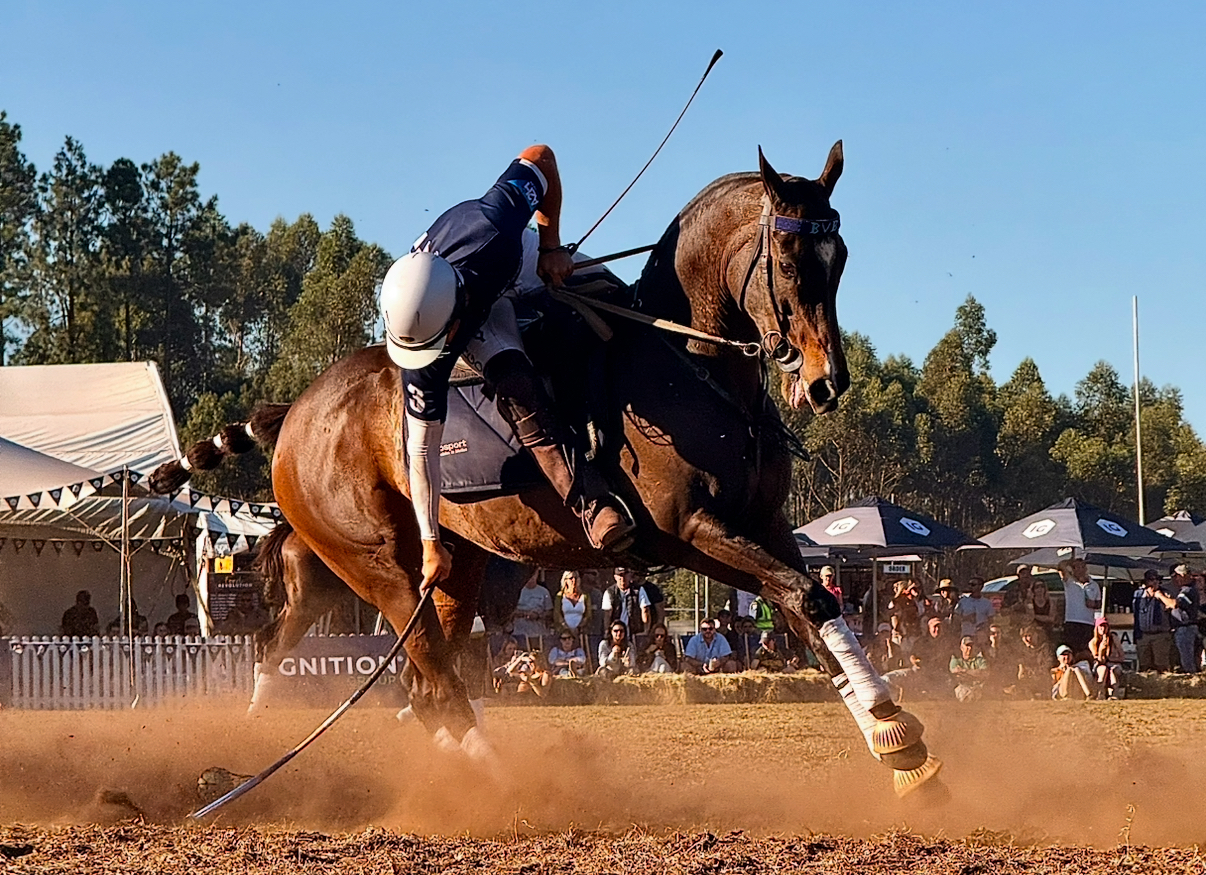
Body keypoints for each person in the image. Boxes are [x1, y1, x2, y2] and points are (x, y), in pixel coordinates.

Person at [379, 146, 635, 595]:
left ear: (454, 314)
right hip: (486, 310)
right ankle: (592, 504)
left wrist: (552, 246)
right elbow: (420, 453)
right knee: (518, 387)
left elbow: (542, 156)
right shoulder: (422, 348)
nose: (435, 355)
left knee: (619, 300)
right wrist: (430, 544)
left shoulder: (493, 221)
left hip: (519, 262)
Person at [1056, 558, 1102, 660]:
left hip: (1087, 622)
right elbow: (1060, 565)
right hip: (1072, 621)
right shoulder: (1069, 581)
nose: (1080, 570)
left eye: (1082, 567)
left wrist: (1093, 604)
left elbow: (1099, 604)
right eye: (1077, 567)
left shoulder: (1094, 584)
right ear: (1073, 569)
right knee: (1072, 650)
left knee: (1086, 650)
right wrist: (1070, 561)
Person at [1132, 569, 1173, 672]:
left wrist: (1160, 596)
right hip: (1143, 635)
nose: (1155, 582)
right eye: (1151, 579)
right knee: (1144, 665)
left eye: (1157, 579)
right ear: (1146, 582)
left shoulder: (1165, 593)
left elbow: (1172, 605)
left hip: (1161, 634)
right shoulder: (1138, 595)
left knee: (1161, 665)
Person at [601, 567, 652, 637]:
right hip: (616, 633)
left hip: (635, 632)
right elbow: (607, 614)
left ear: (630, 575)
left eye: (625, 574)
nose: (623, 578)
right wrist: (607, 632)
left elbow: (645, 610)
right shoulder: (609, 592)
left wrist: (646, 631)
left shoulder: (639, 590)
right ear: (615, 577)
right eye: (620, 575)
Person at [1169, 563, 1201, 674]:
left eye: (1176, 576)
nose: (1176, 579)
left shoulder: (1188, 590)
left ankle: (1191, 679)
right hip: (1184, 628)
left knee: (1187, 658)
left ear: (1182, 575)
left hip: (1186, 628)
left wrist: (1160, 596)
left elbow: (1176, 604)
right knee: (1184, 657)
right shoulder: (1185, 590)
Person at [1089, 617, 1126, 699]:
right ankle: (1101, 693)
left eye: (1105, 626)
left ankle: (1114, 694)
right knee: (1103, 669)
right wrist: (1101, 650)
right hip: (1100, 665)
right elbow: (1099, 660)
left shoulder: (1113, 638)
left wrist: (1111, 659)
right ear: (1097, 628)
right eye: (1101, 626)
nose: (1103, 629)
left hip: (1114, 663)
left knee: (1113, 670)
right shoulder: (1092, 643)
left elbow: (1122, 656)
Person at [1014, 625, 1054, 698]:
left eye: (1029, 635)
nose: (1027, 639)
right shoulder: (1022, 650)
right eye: (1024, 637)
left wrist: (1037, 671)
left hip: (1042, 677)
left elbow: (1049, 662)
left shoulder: (1045, 647)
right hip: (1028, 678)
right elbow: (1020, 662)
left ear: (1035, 635)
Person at [513, 573, 554, 641]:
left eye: (533, 575)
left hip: (539, 634)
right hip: (519, 634)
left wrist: (538, 615)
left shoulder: (544, 592)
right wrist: (523, 614)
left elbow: (550, 613)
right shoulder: (516, 591)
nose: (531, 578)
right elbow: (509, 612)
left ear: (537, 575)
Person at [954, 577, 995, 644]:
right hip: (967, 634)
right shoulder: (963, 601)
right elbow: (955, 618)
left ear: (980, 586)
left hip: (982, 636)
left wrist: (984, 627)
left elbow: (991, 620)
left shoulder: (987, 603)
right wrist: (966, 618)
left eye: (973, 584)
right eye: (969, 584)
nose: (970, 586)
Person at [949, 635, 989, 702]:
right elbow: (955, 673)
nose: (969, 648)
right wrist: (975, 673)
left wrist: (964, 671)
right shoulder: (956, 659)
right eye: (967, 646)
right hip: (962, 687)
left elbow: (984, 673)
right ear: (961, 647)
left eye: (971, 646)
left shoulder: (980, 660)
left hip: (977, 688)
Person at [552, 570, 592, 636]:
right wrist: (566, 628)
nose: (574, 580)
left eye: (576, 578)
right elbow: (557, 614)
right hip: (564, 632)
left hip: (581, 632)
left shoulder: (585, 595)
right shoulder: (560, 596)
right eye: (571, 578)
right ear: (566, 580)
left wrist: (579, 627)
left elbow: (588, 615)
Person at [1028, 575, 1057, 643]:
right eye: (1037, 587)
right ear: (1033, 590)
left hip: (1048, 630)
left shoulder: (1050, 602)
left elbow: (1051, 618)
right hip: (1033, 631)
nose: (1040, 589)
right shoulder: (1029, 602)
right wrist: (1045, 618)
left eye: (1042, 586)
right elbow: (1030, 617)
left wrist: (1036, 616)